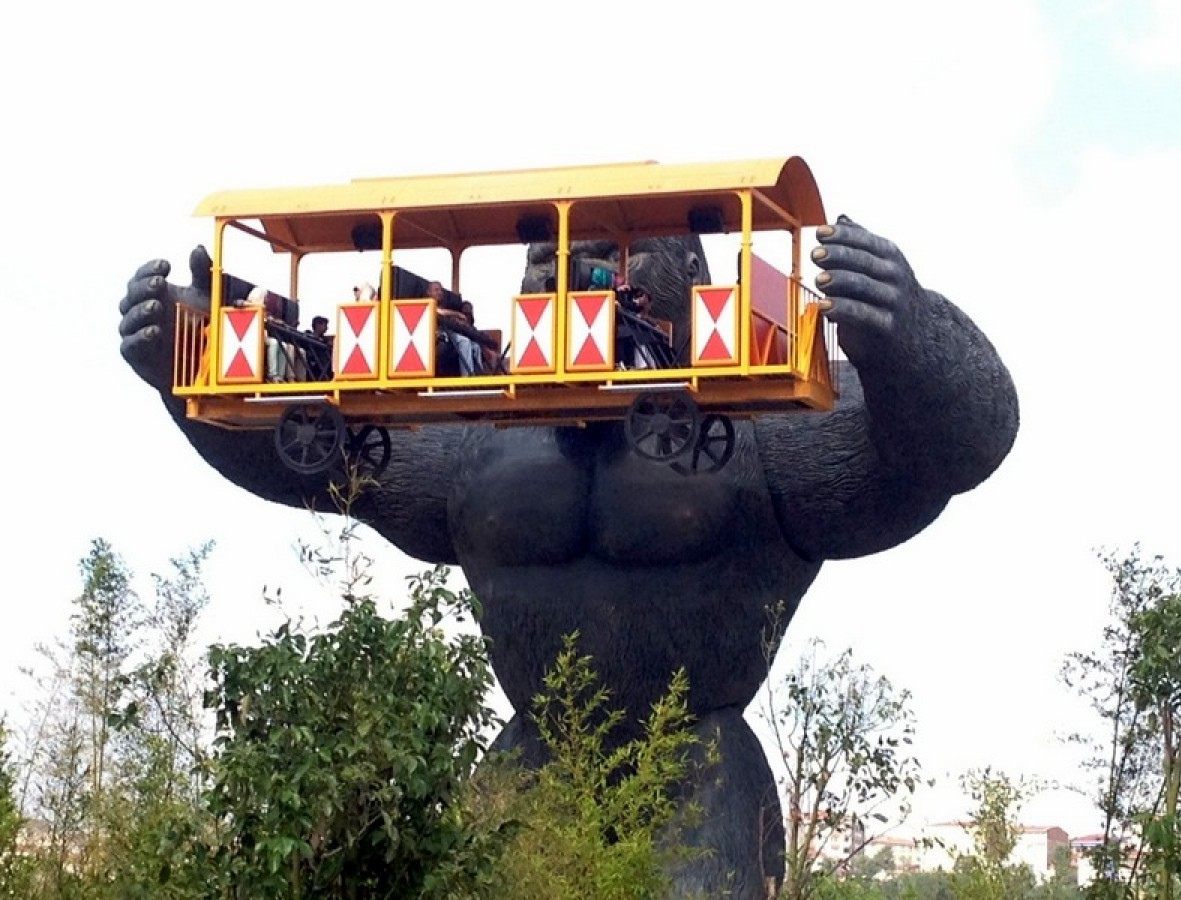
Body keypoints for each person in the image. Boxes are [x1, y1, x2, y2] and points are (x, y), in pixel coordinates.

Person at [117, 218, 1019, 899]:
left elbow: (952, 450)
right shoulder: (471, 432)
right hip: (532, 757)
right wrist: (186, 370)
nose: (573, 266)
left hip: (697, 762)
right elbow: (313, 460)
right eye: (548, 254)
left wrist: (911, 334)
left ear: (695, 279)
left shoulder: (766, 422)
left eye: (617, 252)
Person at [302, 315, 333, 381]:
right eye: (325, 325)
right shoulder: (308, 334)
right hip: (312, 366)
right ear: (318, 325)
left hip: (323, 368)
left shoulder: (325, 340)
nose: (327, 328)